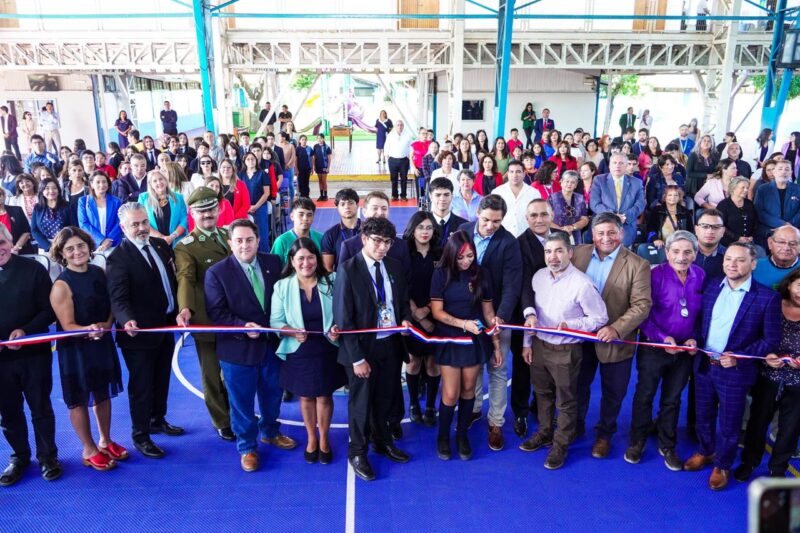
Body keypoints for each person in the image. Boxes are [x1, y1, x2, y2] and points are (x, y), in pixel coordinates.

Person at [684, 243, 781, 490]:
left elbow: (770, 340)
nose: (732, 265)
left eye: (739, 260)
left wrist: (740, 356)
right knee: (703, 416)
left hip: (735, 372)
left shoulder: (767, 298)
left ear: (753, 264)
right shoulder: (712, 287)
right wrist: (695, 338)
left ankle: (723, 465)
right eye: (728, 259)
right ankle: (706, 451)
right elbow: (700, 321)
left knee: (729, 423)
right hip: (705, 365)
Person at [205, 219, 298, 472]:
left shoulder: (273, 263)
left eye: (249, 240)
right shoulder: (216, 273)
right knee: (241, 402)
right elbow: (217, 313)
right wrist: (242, 326)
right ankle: (247, 447)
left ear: (258, 241)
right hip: (237, 350)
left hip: (271, 346)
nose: (244, 245)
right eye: (239, 240)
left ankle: (270, 431)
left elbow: (285, 297)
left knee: (272, 394)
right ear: (230, 243)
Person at [333, 217, 413, 481]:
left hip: (389, 343)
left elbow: (399, 302)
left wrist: (404, 320)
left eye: (387, 242)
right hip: (362, 350)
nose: (382, 247)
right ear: (364, 239)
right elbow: (344, 318)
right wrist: (357, 359)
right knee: (360, 404)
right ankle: (357, 451)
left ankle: (383, 441)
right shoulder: (348, 269)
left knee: (385, 398)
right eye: (377, 241)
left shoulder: (394, 267)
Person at [520, 231, 608, 469]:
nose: (553, 257)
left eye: (559, 251)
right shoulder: (538, 277)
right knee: (542, 394)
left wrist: (572, 326)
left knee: (566, 402)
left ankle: (561, 445)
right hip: (539, 346)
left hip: (566, 350)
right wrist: (528, 343)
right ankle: (545, 432)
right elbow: (533, 315)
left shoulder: (582, 283)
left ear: (570, 253)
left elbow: (600, 317)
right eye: (548, 251)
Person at [107, 202, 184, 459]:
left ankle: (157, 419)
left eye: (144, 222)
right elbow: (117, 298)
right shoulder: (117, 258)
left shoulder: (161, 245)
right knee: (141, 385)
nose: (141, 228)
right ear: (123, 227)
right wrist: (127, 320)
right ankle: (140, 435)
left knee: (162, 377)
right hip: (138, 333)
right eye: (135, 225)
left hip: (165, 326)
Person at [572, 212, 652, 456]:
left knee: (613, 393)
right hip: (581, 338)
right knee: (577, 386)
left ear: (621, 233)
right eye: (600, 233)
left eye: (611, 232)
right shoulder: (577, 254)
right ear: (592, 235)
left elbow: (642, 305)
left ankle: (604, 435)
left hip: (616, 339)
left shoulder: (638, 265)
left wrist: (616, 328)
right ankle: (574, 427)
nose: (606, 238)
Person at [624, 231, 704, 470]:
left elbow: (701, 316)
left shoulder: (700, 275)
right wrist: (661, 338)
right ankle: (637, 441)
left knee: (672, 399)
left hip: (683, 352)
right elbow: (641, 314)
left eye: (688, 252)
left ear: (695, 254)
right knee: (645, 395)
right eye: (676, 251)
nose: (682, 257)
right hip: (654, 348)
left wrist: (694, 338)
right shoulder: (652, 275)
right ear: (667, 252)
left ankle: (667, 444)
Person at [48, 227, 125, 472]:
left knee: (102, 393)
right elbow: (68, 325)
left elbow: (112, 306)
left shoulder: (99, 273)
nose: (77, 252)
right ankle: (89, 448)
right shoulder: (61, 286)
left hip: (101, 342)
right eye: (70, 249)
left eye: (80, 246)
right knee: (78, 399)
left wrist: (106, 325)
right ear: (62, 254)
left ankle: (105, 439)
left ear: (89, 246)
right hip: (76, 349)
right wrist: (90, 329)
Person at [270, 238, 344, 464]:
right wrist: (291, 331)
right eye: (300, 258)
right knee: (306, 396)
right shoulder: (282, 286)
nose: (306, 262)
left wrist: (338, 329)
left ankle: (324, 439)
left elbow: (343, 313)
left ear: (317, 259)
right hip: (299, 349)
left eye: (311, 257)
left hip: (326, 348)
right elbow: (275, 321)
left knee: (324, 395)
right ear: (292, 261)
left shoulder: (332, 280)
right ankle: (312, 438)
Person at [430, 230, 501, 461]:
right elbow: (437, 312)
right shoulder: (440, 274)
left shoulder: (481, 274)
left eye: (469, 256)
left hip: (474, 340)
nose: (465, 261)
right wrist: (463, 324)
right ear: (451, 255)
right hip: (450, 339)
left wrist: (496, 344)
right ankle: (443, 437)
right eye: (460, 257)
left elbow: (489, 311)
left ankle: (462, 436)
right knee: (450, 393)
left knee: (469, 389)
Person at [458, 195, 522, 451]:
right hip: (465, 316)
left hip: (496, 316)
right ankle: (473, 408)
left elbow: (512, 284)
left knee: (497, 368)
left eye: (496, 221)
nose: (490, 225)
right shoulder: (461, 231)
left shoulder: (509, 243)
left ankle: (495, 422)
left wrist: (501, 316)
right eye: (485, 219)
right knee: (472, 365)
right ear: (477, 213)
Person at [0, 225, 61, 488]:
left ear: (10, 240)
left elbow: (49, 311)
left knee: (40, 406)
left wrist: (25, 331)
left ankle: (48, 456)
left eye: (1, 242)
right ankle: (20, 457)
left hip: (34, 352)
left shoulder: (33, 270)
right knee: (8, 412)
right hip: (1, 361)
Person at [174, 188, 233, 441]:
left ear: (218, 209)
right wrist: (185, 308)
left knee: (234, 371)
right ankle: (221, 420)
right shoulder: (186, 247)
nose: (207, 214)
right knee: (211, 373)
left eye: (210, 209)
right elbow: (185, 278)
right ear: (192, 214)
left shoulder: (229, 234)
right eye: (201, 211)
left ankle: (238, 412)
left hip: (235, 317)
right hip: (207, 318)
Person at [735, 268, 800, 481]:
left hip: (797, 382)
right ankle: (749, 462)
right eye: (799, 286)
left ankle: (778, 468)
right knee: (757, 421)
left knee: (790, 428)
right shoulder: (773, 303)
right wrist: (767, 355)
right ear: (789, 284)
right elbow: (757, 334)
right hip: (768, 375)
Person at [402, 212, 442, 427]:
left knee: (433, 363)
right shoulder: (403, 253)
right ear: (412, 229)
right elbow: (400, 285)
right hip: (411, 316)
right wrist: (415, 312)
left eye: (429, 227)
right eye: (420, 227)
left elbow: (444, 286)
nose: (425, 232)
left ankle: (430, 406)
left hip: (435, 316)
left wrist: (427, 311)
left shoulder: (441, 253)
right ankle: (414, 404)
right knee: (414, 361)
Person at [337, 191, 412, 279]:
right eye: (375, 208)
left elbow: (407, 281)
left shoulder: (401, 246)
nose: (380, 213)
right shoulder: (349, 247)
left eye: (384, 208)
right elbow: (342, 281)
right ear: (364, 212)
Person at [590, 153, 646, 248]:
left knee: (625, 259)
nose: (617, 166)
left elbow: (640, 205)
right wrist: (613, 217)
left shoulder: (637, 183)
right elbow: (595, 204)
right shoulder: (599, 180)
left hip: (626, 227)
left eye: (621, 163)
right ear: (609, 165)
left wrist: (625, 217)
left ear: (626, 166)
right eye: (614, 163)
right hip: (604, 226)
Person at [754, 160, 800, 246]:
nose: (783, 172)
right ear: (774, 172)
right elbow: (759, 211)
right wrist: (782, 224)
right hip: (768, 232)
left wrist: (789, 225)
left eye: (787, 169)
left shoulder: (798, 189)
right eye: (780, 169)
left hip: (792, 232)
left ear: (791, 172)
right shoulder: (763, 189)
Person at [138, 169, 187, 248]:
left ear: (166, 180)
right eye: (155, 181)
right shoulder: (143, 198)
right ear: (150, 184)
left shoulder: (178, 197)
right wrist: (161, 237)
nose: (159, 182)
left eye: (161, 179)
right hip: (153, 242)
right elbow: (141, 221)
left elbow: (184, 220)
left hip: (176, 242)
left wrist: (172, 237)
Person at [493, 160, 541, 238]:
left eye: (518, 171)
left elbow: (538, 216)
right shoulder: (498, 192)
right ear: (507, 174)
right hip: (503, 236)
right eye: (511, 172)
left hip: (528, 237)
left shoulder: (534, 193)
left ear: (524, 173)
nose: (515, 175)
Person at [78, 171, 122, 253]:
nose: (101, 185)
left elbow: (119, 222)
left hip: (113, 244)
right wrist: (101, 240)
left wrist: (109, 241)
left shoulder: (117, 201)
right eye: (98, 182)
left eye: (104, 181)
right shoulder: (83, 201)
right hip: (93, 244)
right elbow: (83, 224)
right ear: (91, 184)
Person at [271, 197, 324, 266]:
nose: (305, 218)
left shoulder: (321, 238)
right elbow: (273, 268)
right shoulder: (281, 241)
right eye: (301, 214)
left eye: (309, 215)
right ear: (292, 216)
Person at [31, 177, 75, 252]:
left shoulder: (68, 206)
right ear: (42, 191)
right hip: (45, 248)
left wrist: (62, 245)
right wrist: (49, 246)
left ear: (58, 190)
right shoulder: (38, 207)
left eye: (54, 188)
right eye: (47, 188)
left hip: (65, 246)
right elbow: (34, 230)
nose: (51, 191)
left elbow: (74, 228)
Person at [321, 189, 360, 273]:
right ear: (337, 208)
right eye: (342, 204)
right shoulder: (330, 235)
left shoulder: (368, 230)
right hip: (342, 281)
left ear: (357, 205)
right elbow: (328, 268)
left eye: (350, 203)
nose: (347, 207)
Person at [753, 225, 800, 291]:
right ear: (770, 243)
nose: (786, 248)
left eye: (793, 244)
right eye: (781, 242)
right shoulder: (753, 267)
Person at [548, 170, 589, 244]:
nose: (569, 184)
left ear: (576, 185)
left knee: (576, 255)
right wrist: (562, 229)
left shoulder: (580, 198)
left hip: (575, 235)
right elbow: (546, 219)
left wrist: (572, 227)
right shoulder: (552, 198)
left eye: (573, 182)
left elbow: (585, 219)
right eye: (567, 181)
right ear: (561, 182)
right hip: (556, 235)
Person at [716, 177, 758, 248]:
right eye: (743, 187)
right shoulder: (723, 205)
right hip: (728, 243)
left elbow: (755, 223)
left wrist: (751, 236)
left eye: (747, 188)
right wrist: (737, 238)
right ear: (734, 188)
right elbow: (720, 226)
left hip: (748, 242)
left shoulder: (749, 204)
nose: (746, 190)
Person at [428, 177, 468, 246]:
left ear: (452, 196)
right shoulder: (420, 225)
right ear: (430, 196)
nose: (442, 199)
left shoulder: (464, 226)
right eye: (438, 195)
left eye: (446, 195)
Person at [384, 120, 413, 202]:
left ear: (403, 126)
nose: (400, 126)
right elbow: (386, 146)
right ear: (395, 126)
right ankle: (394, 195)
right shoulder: (390, 135)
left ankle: (403, 195)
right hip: (392, 160)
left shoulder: (407, 136)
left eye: (401, 125)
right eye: (398, 125)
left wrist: (410, 156)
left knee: (404, 179)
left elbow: (411, 147)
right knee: (394, 179)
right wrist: (387, 158)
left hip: (404, 160)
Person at [0, 187, 34, 255]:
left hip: (21, 252)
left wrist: (17, 247)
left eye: (0, 194)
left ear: (4, 196)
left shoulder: (17, 210)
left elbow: (26, 231)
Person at [312, 134, 332, 202]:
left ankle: (325, 195)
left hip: (324, 166)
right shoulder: (315, 146)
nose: (319, 140)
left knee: (324, 181)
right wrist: (314, 166)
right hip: (318, 166)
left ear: (323, 139)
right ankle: (321, 195)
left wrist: (328, 167)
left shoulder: (327, 147)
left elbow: (329, 158)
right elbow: (314, 157)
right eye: (318, 138)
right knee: (320, 181)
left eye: (320, 138)